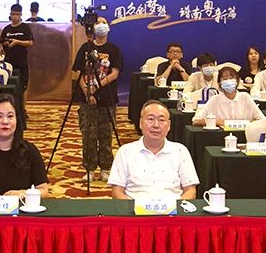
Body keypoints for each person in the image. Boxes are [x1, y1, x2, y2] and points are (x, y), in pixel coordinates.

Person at [108, 100, 199, 200]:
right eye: (150, 119)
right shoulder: (125, 152)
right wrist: (133, 208)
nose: (156, 125)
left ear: (169, 125)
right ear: (140, 123)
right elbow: (117, 191)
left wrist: (177, 207)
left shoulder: (180, 151)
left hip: (172, 208)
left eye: (161, 120)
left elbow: (190, 190)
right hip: (134, 208)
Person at [72, 15, 123, 181]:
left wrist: (97, 86)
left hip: (107, 97)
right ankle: (89, 167)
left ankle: (106, 167)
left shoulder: (114, 49)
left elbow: (114, 73)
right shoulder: (85, 48)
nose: (101, 25)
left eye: (104, 23)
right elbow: (77, 72)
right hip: (86, 99)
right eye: (98, 23)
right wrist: (87, 91)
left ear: (108, 27)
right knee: (88, 134)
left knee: (106, 134)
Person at [193, 66, 264, 127]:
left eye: (231, 77)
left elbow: (262, 119)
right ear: (219, 83)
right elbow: (196, 120)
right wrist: (216, 121)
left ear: (237, 81)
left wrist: (248, 124)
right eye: (225, 78)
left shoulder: (245, 97)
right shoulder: (215, 99)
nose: (228, 81)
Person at [0, 3, 34, 90]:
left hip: (21, 62)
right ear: (10, 14)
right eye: (13, 14)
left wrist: (17, 42)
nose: (15, 17)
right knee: (9, 87)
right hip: (8, 63)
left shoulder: (25, 27)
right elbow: (2, 42)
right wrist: (2, 47)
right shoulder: (6, 29)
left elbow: (30, 43)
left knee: (23, 86)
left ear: (21, 15)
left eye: (17, 14)